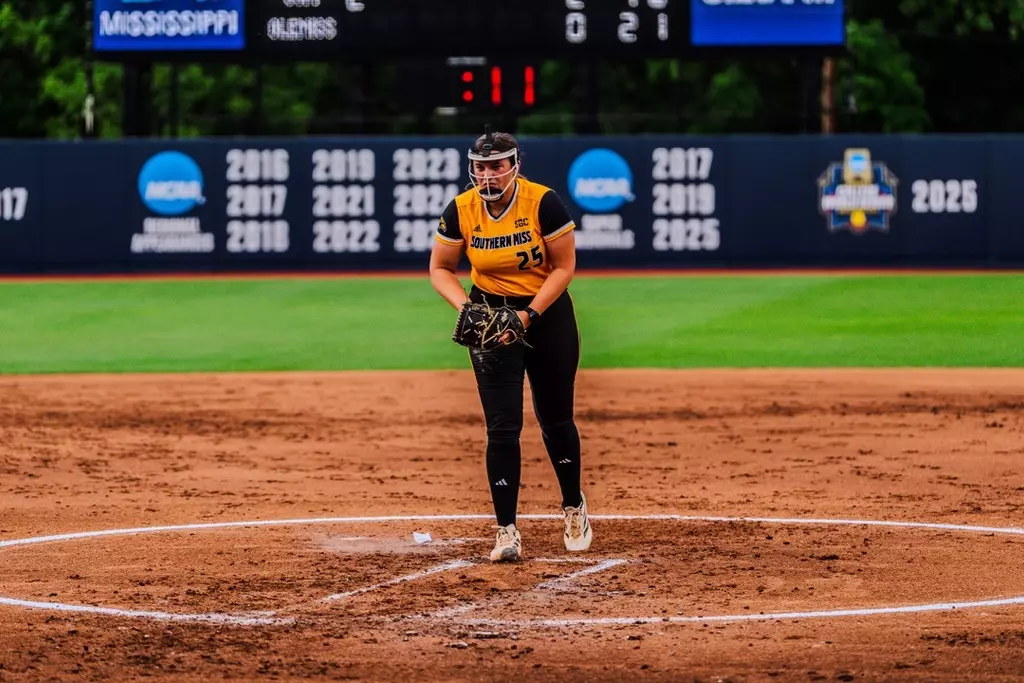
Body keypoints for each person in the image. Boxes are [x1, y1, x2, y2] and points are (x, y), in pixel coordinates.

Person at [428, 127, 592, 563]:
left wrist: (528, 315)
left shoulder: (542, 202)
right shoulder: (461, 209)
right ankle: (506, 530)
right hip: (490, 319)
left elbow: (564, 267)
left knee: (555, 417)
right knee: (502, 427)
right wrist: (467, 308)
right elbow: (441, 267)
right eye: (480, 167)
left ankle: (573, 506)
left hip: (546, 314)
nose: (488, 175)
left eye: (496, 166)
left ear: (515, 166)